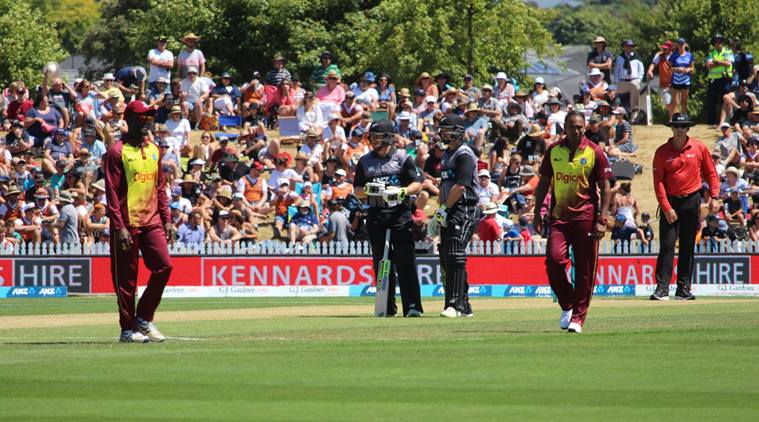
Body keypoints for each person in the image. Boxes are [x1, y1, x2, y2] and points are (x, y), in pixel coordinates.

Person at [532, 111, 611, 333]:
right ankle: (567, 304)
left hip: (586, 218)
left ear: (584, 127)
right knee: (554, 261)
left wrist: (602, 219)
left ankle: (578, 317)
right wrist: (538, 212)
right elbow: (544, 183)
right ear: (564, 128)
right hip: (559, 217)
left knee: (585, 270)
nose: (576, 130)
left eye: (580, 126)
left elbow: (606, 188)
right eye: (572, 126)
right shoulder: (554, 151)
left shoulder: (595, 152)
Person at [103, 100, 175, 343]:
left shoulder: (154, 149)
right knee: (126, 281)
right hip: (127, 224)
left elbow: (160, 188)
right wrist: (119, 226)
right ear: (130, 121)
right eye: (143, 119)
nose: (147, 123)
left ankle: (143, 318)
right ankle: (127, 329)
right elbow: (111, 192)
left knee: (164, 266)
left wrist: (166, 219)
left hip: (152, 220)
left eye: (149, 119)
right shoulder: (116, 152)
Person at [353, 119, 424, 317]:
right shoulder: (365, 161)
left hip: (400, 214)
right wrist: (366, 190)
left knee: (405, 261)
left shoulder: (402, 157)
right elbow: (356, 189)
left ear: (387, 138)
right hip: (376, 215)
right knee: (382, 263)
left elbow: (417, 183)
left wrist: (402, 191)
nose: (372, 141)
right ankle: (386, 307)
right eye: (371, 137)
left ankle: (412, 306)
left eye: (376, 137)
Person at [651, 113, 721, 301]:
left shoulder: (699, 147)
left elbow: (711, 172)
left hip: (692, 200)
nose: (679, 130)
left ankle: (683, 289)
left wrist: (715, 195)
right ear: (671, 128)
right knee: (667, 245)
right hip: (671, 201)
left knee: (688, 245)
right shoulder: (662, 151)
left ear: (688, 128)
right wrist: (666, 207)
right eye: (676, 126)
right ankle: (662, 289)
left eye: (683, 126)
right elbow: (658, 182)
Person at [432, 115, 480, 318]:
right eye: (441, 130)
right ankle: (464, 306)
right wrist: (439, 212)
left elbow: (460, 187)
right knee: (447, 255)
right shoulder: (446, 155)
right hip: (449, 208)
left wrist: (444, 208)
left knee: (455, 253)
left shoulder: (464, 154)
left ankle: (456, 305)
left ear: (457, 132)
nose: (442, 134)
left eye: (446, 130)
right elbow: (445, 185)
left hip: (465, 207)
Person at [705, 34, 734, 126]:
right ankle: (711, 122)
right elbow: (708, 65)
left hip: (724, 79)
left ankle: (724, 122)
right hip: (713, 80)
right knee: (712, 101)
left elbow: (729, 63)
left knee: (724, 101)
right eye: (716, 41)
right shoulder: (711, 53)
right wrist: (721, 63)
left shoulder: (728, 52)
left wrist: (717, 62)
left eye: (720, 41)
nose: (718, 43)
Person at [614, 39, 644, 122]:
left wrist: (638, 80)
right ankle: (621, 117)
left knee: (634, 100)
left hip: (633, 81)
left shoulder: (637, 57)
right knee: (620, 99)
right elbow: (617, 70)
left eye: (631, 46)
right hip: (622, 81)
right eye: (627, 46)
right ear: (624, 47)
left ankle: (634, 118)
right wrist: (617, 81)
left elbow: (641, 70)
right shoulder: (620, 58)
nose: (629, 48)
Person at [647, 40, 674, 119]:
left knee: (674, 103)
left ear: (670, 48)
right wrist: (649, 71)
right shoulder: (659, 55)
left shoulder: (675, 56)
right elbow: (653, 64)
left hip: (674, 83)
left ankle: (672, 120)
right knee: (667, 104)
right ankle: (673, 118)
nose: (664, 50)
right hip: (664, 84)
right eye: (663, 48)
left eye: (666, 49)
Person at [669, 38, 695, 117]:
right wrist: (677, 69)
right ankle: (673, 118)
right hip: (676, 80)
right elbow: (669, 68)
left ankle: (684, 116)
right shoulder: (674, 55)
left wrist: (687, 69)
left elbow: (692, 68)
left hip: (685, 80)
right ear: (677, 45)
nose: (680, 46)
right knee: (675, 102)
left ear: (685, 45)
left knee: (684, 101)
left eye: (682, 44)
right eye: (679, 44)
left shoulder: (689, 55)